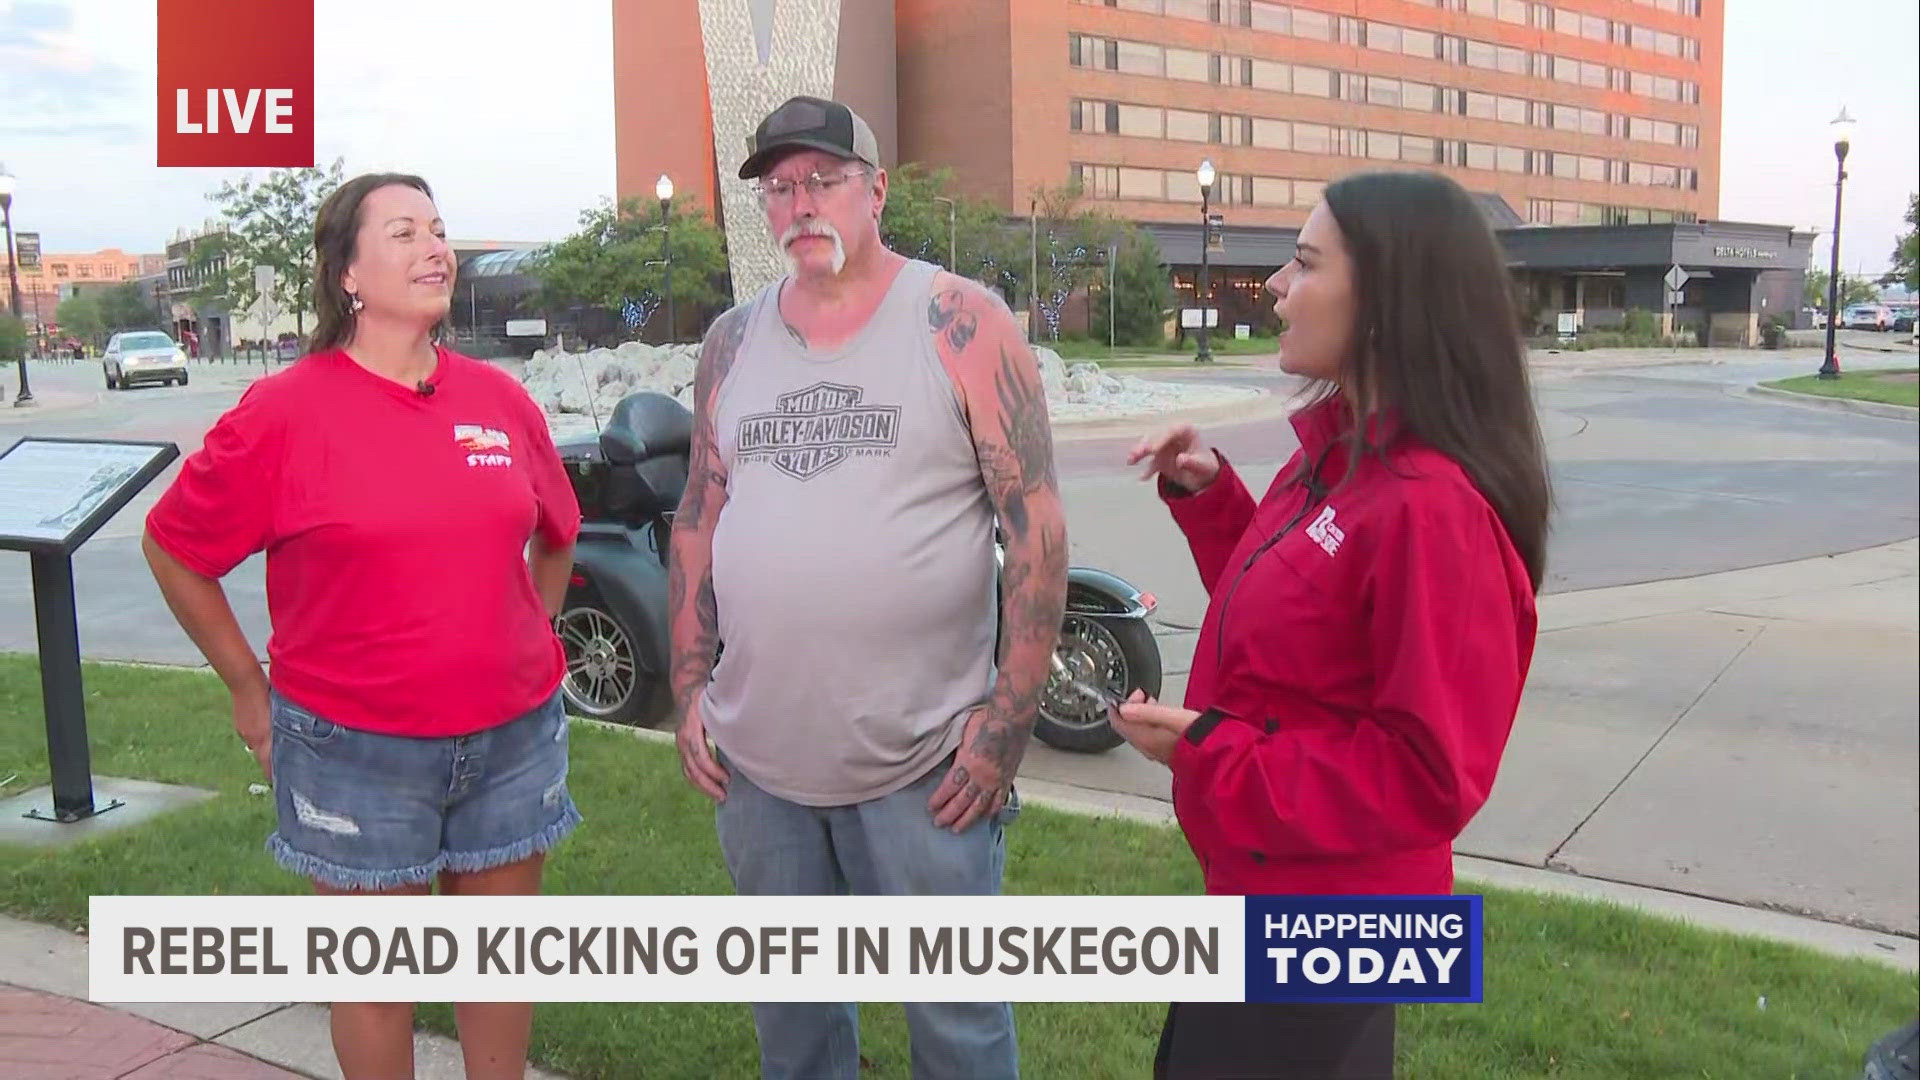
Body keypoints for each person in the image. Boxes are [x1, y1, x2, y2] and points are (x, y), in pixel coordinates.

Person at [141, 172, 582, 1080]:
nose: (434, 248)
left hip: (511, 743)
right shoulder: (286, 413)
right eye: (404, 233)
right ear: (347, 274)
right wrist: (245, 688)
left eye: (440, 229)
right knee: (377, 982)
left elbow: (557, 535)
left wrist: (521, 641)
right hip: (354, 751)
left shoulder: (498, 402)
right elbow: (175, 546)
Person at [1115, 169, 1552, 1079]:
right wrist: (1213, 498)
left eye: (1304, 263)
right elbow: (1302, 617)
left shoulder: (1431, 508)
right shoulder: (1340, 456)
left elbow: (1425, 774)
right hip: (1265, 891)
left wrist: (1210, 750)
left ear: (1388, 300)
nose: (1275, 285)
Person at [668, 95, 1068, 1080]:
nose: (801, 203)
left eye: (824, 180)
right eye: (780, 186)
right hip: (761, 769)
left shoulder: (962, 324)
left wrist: (1003, 732)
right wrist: (687, 691)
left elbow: (1037, 537)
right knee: (793, 1029)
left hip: (927, 767)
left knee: (958, 1027)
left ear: (876, 190)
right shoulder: (731, 342)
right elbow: (697, 520)